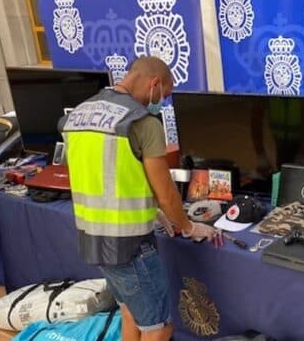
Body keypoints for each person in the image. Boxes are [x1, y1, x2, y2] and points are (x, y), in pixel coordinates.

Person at [59, 56, 222, 341]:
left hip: (93, 238)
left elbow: (108, 174)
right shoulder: (141, 122)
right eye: (165, 95)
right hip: (130, 245)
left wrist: (152, 210)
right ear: (154, 83)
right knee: (159, 328)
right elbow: (168, 194)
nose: (162, 102)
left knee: (131, 314)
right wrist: (189, 226)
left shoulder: (80, 114)